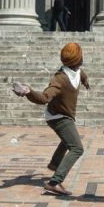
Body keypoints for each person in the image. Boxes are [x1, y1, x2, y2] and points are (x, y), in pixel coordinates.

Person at [13, 43, 90, 195]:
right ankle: (55, 182)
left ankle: (55, 163)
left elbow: (81, 74)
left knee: (68, 139)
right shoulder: (60, 79)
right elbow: (44, 97)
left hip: (65, 114)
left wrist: (86, 81)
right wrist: (29, 92)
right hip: (57, 117)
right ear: (78, 59)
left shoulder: (78, 71)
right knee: (76, 148)